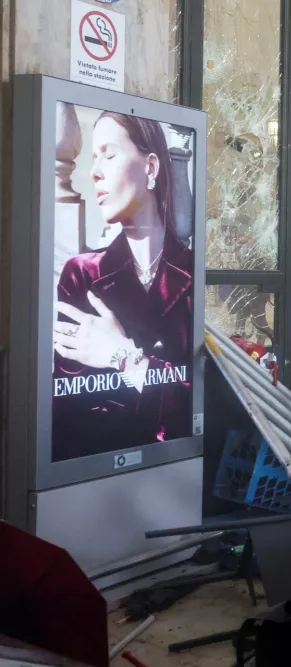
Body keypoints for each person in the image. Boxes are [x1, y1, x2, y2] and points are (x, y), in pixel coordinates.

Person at [53, 112, 193, 462]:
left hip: (176, 471)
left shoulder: (192, 270)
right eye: (92, 158)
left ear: (150, 167)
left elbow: (197, 402)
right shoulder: (81, 275)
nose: (94, 172)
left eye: (109, 154)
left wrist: (120, 356)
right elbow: (67, 406)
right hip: (94, 478)